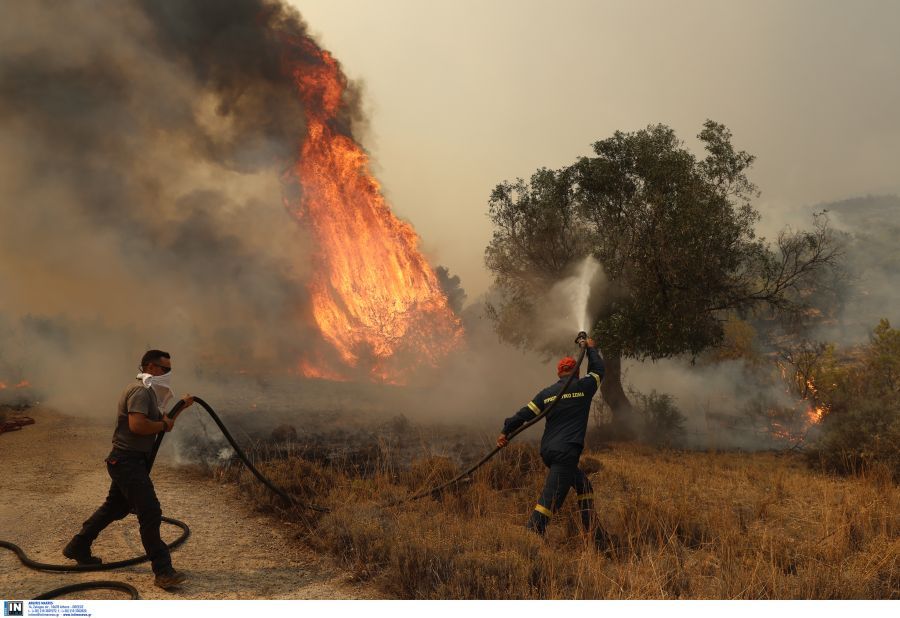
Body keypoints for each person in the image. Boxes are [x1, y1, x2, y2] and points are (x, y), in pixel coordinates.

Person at [63, 349, 194, 590]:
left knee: (114, 507)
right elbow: (138, 426)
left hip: (129, 461)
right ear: (150, 367)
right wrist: (162, 424)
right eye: (165, 369)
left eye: (170, 369)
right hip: (127, 462)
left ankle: (78, 547)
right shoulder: (140, 391)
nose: (168, 373)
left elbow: (161, 421)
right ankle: (163, 571)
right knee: (151, 512)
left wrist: (180, 408)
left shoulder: (149, 392)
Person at [497, 336, 613, 549]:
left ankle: (594, 533)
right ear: (577, 372)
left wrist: (506, 431)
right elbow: (598, 371)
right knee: (549, 500)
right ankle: (530, 538)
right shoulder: (585, 387)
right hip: (566, 452)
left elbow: (524, 414)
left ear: (559, 374)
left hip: (549, 452)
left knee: (584, 485)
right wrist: (591, 350)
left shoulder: (547, 393)